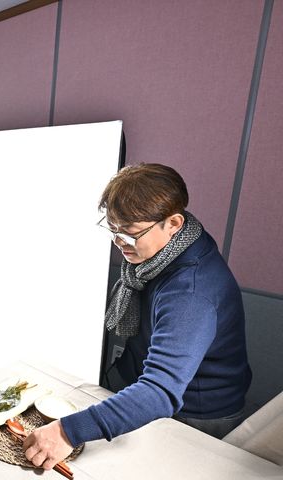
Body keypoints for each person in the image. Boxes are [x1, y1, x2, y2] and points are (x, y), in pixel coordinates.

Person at [22, 163, 252, 470]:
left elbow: (159, 392)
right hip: (146, 381)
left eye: (130, 233)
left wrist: (67, 431)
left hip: (197, 412)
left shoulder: (192, 292)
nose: (119, 242)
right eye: (113, 228)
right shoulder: (164, 250)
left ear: (173, 222)